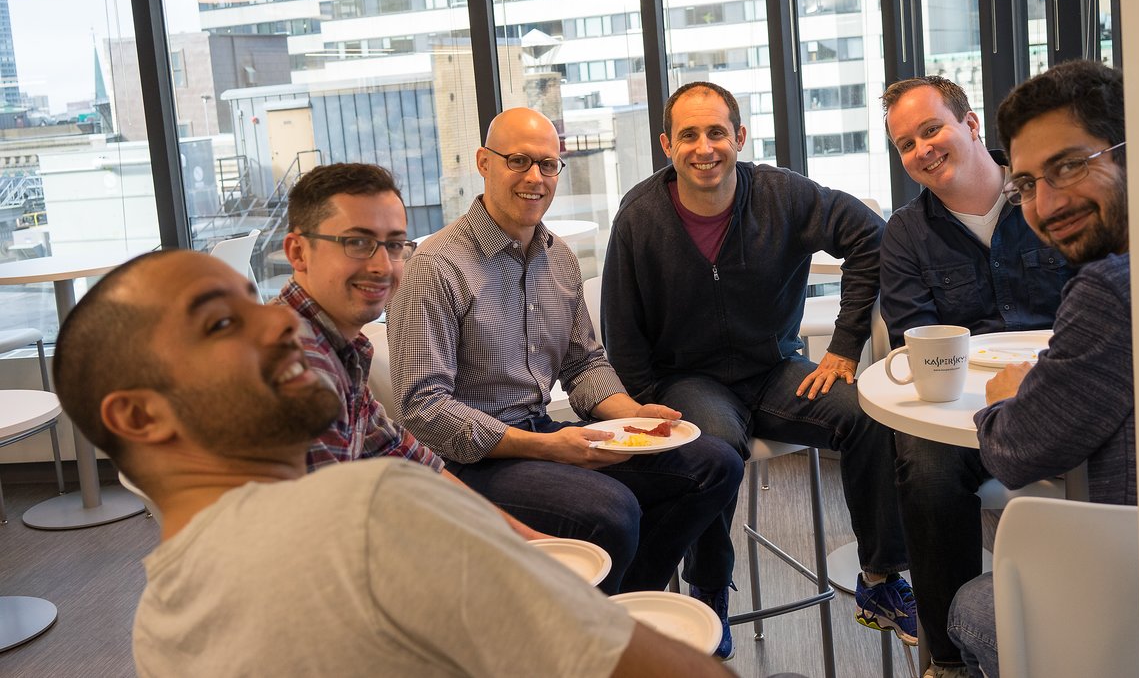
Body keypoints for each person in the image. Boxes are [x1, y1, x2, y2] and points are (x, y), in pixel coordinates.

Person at [51, 250, 731, 677]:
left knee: (705, 464)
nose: (282, 322)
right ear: (139, 416)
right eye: (221, 323)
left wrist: (529, 545)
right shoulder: (362, 511)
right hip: (499, 451)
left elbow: (414, 454)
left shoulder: (156, 629)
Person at [387, 107, 743, 621]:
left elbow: (584, 364)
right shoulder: (437, 266)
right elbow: (423, 408)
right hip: (467, 464)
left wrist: (633, 415)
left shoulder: (559, 257)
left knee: (713, 464)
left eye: (548, 165)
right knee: (612, 513)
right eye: (519, 161)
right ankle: (601, 637)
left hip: (542, 434)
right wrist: (550, 448)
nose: (535, 178)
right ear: (484, 164)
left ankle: (612, 621)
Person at [600, 80, 915, 648]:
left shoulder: (782, 195)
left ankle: (881, 578)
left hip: (775, 369)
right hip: (689, 381)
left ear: (739, 137)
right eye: (689, 135)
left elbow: (872, 238)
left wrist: (844, 346)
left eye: (717, 132)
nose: (705, 147)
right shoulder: (639, 218)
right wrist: (650, 401)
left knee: (868, 413)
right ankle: (711, 594)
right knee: (713, 451)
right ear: (667, 145)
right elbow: (621, 329)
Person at [880, 77, 1075, 678]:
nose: (922, 149)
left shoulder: (1049, 201)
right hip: (967, 408)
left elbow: (1100, 303)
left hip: (1067, 388)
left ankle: (1105, 614)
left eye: (931, 128)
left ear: (970, 125)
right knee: (924, 462)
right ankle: (948, 659)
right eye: (906, 144)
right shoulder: (906, 235)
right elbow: (918, 340)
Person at [946, 60, 1135, 677]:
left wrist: (1008, 399)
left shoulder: (1112, 288)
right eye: (1026, 184)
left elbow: (1016, 452)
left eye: (1070, 165)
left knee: (971, 607)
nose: (1046, 203)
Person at [273, 161, 542, 539]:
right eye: (358, 243)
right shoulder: (294, 364)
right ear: (298, 252)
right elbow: (327, 536)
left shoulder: (337, 346)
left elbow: (404, 455)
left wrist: (525, 539)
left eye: (395, 245)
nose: (383, 266)